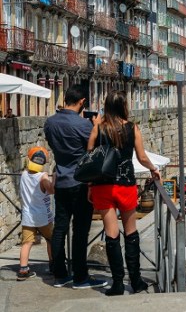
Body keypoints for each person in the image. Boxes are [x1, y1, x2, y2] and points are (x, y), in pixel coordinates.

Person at [87, 90, 160, 295]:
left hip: (103, 186)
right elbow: (143, 157)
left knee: (111, 234)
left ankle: (117, 283)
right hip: (126, 184)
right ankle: (136, 281)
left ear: (106, 107)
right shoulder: (132, 128)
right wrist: (154, 169)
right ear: (124, 106)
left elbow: (90, 159)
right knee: (130, 232)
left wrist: (90, 187)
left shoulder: (98, 129)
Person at [44, 85, 108, 290]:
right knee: (80, 231)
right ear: (82, 102)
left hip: (61, 181)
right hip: (81, 184)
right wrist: (95, 126)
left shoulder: (50, 123)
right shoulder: (83, 125)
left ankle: (60, 274)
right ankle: (80, 277)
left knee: (59, 228)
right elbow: (94, 149)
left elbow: (54, 146)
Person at [17, 147, 55, 281]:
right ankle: (53, 265)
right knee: (51, 240)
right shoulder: (43, 176)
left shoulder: (24, 174)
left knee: (27, 243)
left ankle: (23, 269)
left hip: (28, 216)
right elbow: (51, 191)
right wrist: (54, 179)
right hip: (43, 216)